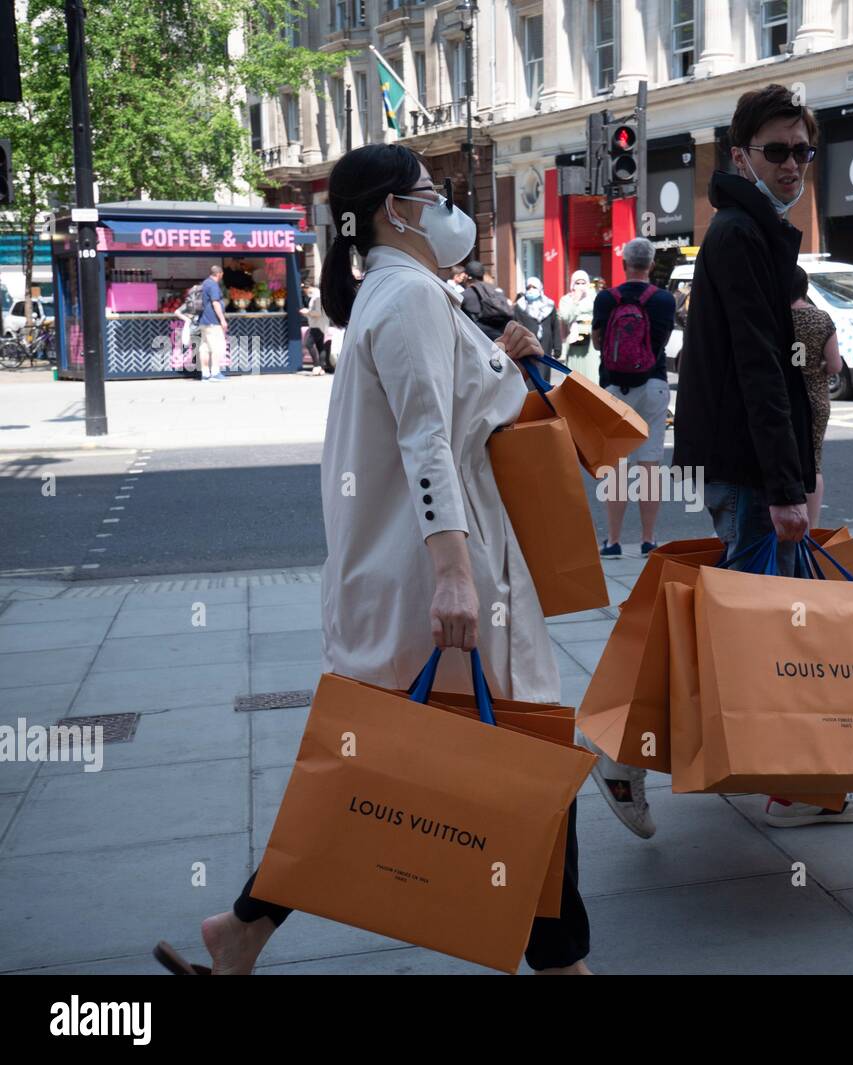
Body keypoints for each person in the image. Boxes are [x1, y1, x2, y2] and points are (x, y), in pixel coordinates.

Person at [161, 144, 592, 976]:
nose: (447, 207)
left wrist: (499, 351)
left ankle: (244, 926)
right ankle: (563, 962)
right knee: (525, 757)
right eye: (434, 193)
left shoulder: (408, 296)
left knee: (386, 767)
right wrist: (457, 574)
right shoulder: (407, 298)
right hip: (437, 573)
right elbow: (428, 442)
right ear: (397, 211)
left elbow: (447, 409)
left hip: (410, 571)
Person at [673, 83, 853, 832]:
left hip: (746, 464)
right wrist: (787, 486)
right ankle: (635, 751)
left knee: (759, 628)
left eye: (802, 150)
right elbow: (760, 367)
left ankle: (796, 778)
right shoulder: (739, 233)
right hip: (751, 468)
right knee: (762, 636)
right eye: (776, 150)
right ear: (740, 155)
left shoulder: (753, 229)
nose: (794, 163)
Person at [591, 236, 675, 560]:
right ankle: (648, 540)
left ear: (625, 264)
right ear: (651, 265)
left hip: (614, 388)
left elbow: (599, 344)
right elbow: (661, 342)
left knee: (616, 465)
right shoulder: (664, 300)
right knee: (649, 464)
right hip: (653, 384)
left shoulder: (606, 299)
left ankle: (612, 541)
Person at [791, 265, 841, 527]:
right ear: (805, 288)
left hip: (784, 398)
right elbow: (835, 366)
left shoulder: (775, 319)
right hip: (815, 397)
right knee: (814, 460)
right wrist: (816, 367)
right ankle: (810, 528)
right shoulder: (822, 319)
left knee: (785, 460)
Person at [513, 275, 562, 382]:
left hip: (545, 345)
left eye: (534, 287)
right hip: (526, 346)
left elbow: (555, 327)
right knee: (528, 376)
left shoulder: (549, 305)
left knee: (543, 375)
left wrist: (557, 348)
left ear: (540, 289)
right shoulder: (520, 306)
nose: (531, 290)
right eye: (528, 287)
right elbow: (514, 325)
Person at [459, 259, 514, 341]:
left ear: (466, 276)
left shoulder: (465, 295)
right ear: (483, 275)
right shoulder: (496, 290)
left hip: (481, 342)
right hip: (503, 340)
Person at [558, 270, 597, 380]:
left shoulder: (594, 298)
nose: (580, 286)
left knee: (592, 374)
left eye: (583, 283)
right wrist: (575, 301)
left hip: (591, 340)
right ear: (572, 284)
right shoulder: (566, 299)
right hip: (573, 338)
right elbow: (565, 318)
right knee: (575, 374)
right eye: (577, 283)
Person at [196, 265, 229, 381]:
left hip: (203, 321)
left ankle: (205, 374)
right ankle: (215, 373)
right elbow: (215, 303)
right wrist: (222, 320)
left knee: (204, 347)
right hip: (213, 321)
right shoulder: (213, 285)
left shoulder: (204, 283)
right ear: (220, 274)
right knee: (218, 347)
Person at [300, 283, 328, 375]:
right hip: (320, 325)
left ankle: (316, 366)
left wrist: (307, 312)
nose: (304, 291)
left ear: (308, 288)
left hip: (317, 325)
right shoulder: (318, 295)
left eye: (304, 289)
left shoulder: (317, 297)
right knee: (320, 346)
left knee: (308, 344)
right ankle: (322, 368)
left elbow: (317, 313)